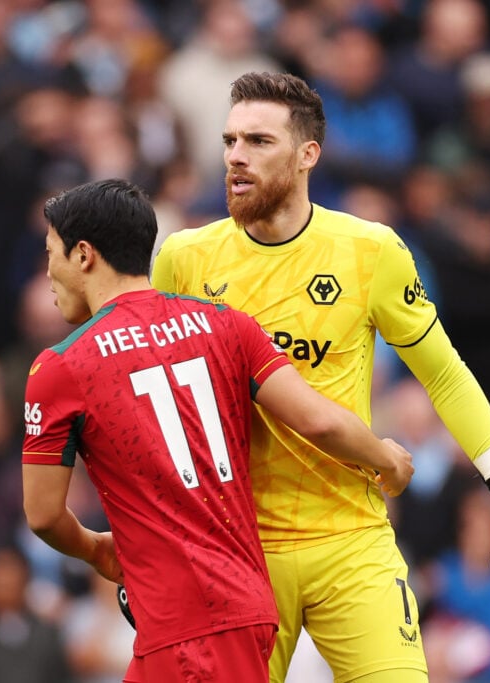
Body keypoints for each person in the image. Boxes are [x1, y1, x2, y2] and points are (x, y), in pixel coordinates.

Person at [151, 71, 490, 683]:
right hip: (237, 548)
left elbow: (444, 374)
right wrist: (149, 545)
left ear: (308, 155)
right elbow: (157, 408)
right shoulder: (184, 258)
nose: (235, 156)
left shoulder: (371, 251)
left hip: (351, 538)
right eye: (230, 141)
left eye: (258, 141)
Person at [21, 178, 414, 683]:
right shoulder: (228, 325)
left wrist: (98, 550)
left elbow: (43, 515)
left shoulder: (61, 366)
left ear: (83, 255)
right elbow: (317, 418)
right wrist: (385, 455)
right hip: (238, 608)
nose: (48, 272)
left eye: (50, 253)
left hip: (186, 622)